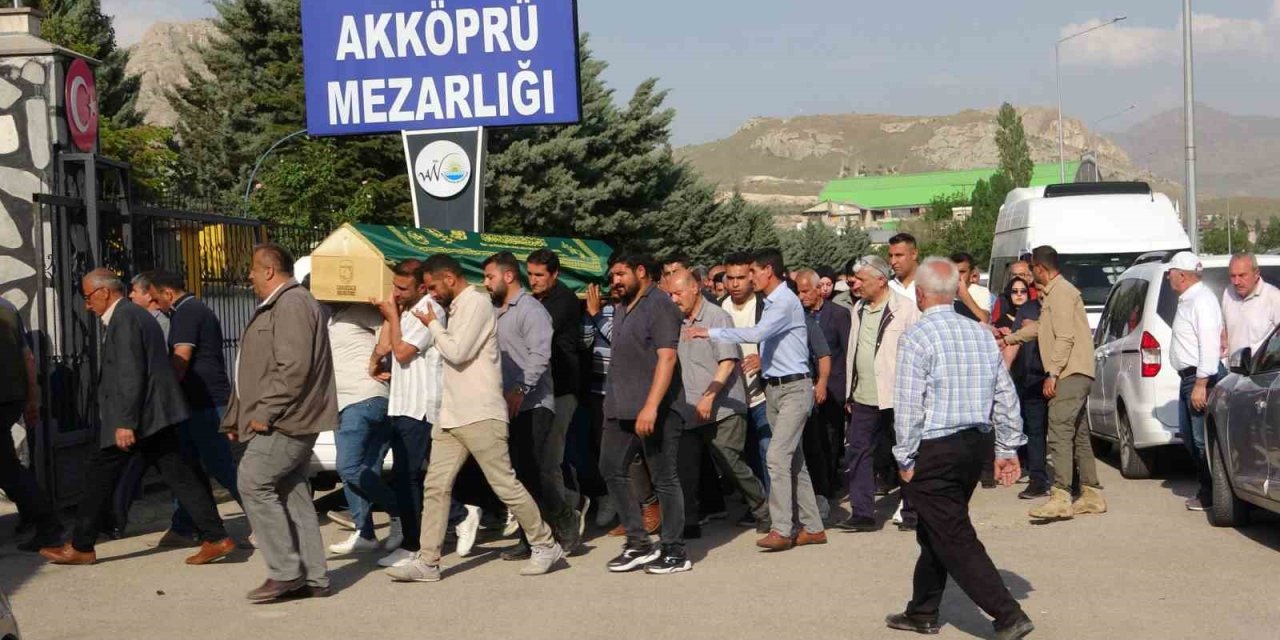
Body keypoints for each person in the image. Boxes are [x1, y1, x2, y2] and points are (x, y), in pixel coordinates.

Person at [386, 254, 564, 582]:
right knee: (435, 486)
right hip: (452, 415)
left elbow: (457, 351)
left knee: (505, 484)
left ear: (450, 279)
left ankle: (545, 543)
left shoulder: (477, 304)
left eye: (433, 286)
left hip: (481, 412)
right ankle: (428, 561)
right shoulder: (456, 307)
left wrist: (432, 324)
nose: (431, 293)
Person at [41, 269, 233, 567]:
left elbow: (130, 373)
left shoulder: (126, 318)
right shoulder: (133, 315)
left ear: (105, 292)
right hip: (154, 416)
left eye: (88, 296)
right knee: (181, 475)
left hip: (142, 418)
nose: (87, 304)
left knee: (100, 474)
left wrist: (125, 422)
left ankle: (81, 545)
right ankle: (215, 536)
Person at [884, 257, 1033, 640]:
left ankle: (1007, 614)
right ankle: (922, 610)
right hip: (974, 445)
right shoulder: (981, 333)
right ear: (953, 293)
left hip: (935, 446)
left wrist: (904, 456)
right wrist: (1006, 447)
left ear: (919, 294)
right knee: (937, 529)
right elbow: (1005, 394)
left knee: (953, 533)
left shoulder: (917, 337)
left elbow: (909, 405)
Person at [691, 248, 827, 552]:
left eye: (752, 271)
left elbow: (759, 332)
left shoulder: (785, 302)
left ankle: (781, 528)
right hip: (775, 389)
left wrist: (710, 332)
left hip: (794, 389)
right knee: (795, 462)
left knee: (776, 457)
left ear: (768, 270)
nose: (748, 278)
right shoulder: (773, 301)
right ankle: (814, 527)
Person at [222, 245, 336, 599]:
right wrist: (236, 416)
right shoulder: (284, 303)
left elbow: (294, 368)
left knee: (253, 482)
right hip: (281, 417)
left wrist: (265, 412)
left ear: (269, 270)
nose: (250, 277)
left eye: (254, 271)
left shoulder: (291, 303)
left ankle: (286, 572)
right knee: (292, 492)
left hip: (287, 419)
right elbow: (255, 369)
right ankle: (314, 577)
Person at [598, 252, 690, 575]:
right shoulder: (622, 307)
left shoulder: (660, 305)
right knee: (611, 468)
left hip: (658, 411)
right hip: (620, 409)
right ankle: (638, 543)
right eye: (612, 277)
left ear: (640, 271)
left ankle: (675, 550)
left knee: (664, 479)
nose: (615, 282)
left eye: (621, 274)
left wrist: (651, 406)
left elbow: (667, 359)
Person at [371, 259, 467, 569]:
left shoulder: (430, 310)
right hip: (400, 403)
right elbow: (386, 347)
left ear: (422, 287)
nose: (396, 293)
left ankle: (417, 542)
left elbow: (401, 352)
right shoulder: (403, 309)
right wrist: (391, 314)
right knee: (409, 475)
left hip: (419, 406)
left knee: (409, 476)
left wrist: (392, 317)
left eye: (403, 288)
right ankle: (455, 516)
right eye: (394, 286)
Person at [486, 252, 581, 557]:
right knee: (519, 476)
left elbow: (540, 356)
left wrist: (520, 388)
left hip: (535, 402)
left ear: (507, 277)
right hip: (505, 403)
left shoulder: (532, 310)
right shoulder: (495, 310)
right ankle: (533, 538)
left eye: (489, 277)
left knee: (537, 471)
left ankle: (565, 521)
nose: (485, 283)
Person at [1005, 245, 1106, 521]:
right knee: (1078, 433)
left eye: (1031, 269)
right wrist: (1008, 339)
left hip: (1070, 372)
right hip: (1072, 372)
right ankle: (1090, 493)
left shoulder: (1061, 293)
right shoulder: (1053, 294)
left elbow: (1064, 337)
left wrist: (1052, 373)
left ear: (1040, 268)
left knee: (1058, 428)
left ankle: (1060, 495)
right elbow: (1040, 328)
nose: (1028, 276)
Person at [669, 271, 771, 537]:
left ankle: (763, 508)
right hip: (687, 408)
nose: (673, 298)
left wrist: (710, 395)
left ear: (695, 289)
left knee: (730, 462)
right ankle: (688, 522)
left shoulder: (718, 318)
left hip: (723, 407)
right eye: (670, 293)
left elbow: (727, 362)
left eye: (678, 293)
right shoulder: (674, 321)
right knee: (685, 468)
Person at [146, 270, 242, 547]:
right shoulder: (189, 310)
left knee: (221, 465)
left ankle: (265, 521)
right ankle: (186, 525)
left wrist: (164, 393)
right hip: (194, 403)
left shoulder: (187, 312)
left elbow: (181, 359)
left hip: (206, 402)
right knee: (187, 466)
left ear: (168, 293)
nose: (156, 306)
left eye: (156, 299)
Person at [838, 256, 920, 533]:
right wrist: (849, 392)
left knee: (906, 453)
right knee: (859, 453)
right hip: (863, 397)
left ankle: (912, 512)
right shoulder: (858, 309)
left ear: (881, 280)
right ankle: (862, 513)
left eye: (861, 279)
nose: (855, 284)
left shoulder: (906, 309)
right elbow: (854, 352)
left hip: (897, 397)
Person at [526, 248, 588, 535]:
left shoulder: (562, 302)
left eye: (539, 275)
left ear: (555, 274)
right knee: (539, 460)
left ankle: (563, 521)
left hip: (562, 388)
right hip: (540, 390)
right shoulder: (535, 300)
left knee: (550, 459)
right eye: (530, 274)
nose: (534, 280)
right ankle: (571, 501)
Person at [323, 301, 392, 554]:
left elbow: (391, 334)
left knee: (348, 467)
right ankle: (365, 533)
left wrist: (385, 364)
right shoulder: (331, 317)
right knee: (363, 470)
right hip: (344, 401)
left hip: (363, 398)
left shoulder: (362, 310)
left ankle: (403, 512)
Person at [0, 297, 63, 551]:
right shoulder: (8, 307)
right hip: (11, 398)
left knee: (7, 468)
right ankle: (37, 517)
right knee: (6, 466)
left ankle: (46, 522)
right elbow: (28, 357)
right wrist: (32, 397)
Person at [1166, 252, 1224, 511]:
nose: (1169, 276)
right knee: (1190, 438)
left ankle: (1212, 492)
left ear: (1182, 275)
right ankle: (1208, 488)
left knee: (1202, 440)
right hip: (1188, 378)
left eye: (1171, 272)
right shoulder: (1188, 300)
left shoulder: (1202, 300)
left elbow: (1209, 344)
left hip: (1200, 378)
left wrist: (1201, 384)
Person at [796, 267, 850, 520]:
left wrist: (845, 389)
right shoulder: (799, 316)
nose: (802, 296)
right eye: (799, 291)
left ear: (820, 289)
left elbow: (846, 351)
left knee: (831, 438)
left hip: (834, 386)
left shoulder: (838, 315)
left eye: (806, 291)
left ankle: (830, 485)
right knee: (814, 440)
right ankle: (821, 488)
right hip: (807, 385)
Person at [720, 252, 772, 505]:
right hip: (732, 397)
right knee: (742, 455)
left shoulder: (767, 306)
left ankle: (777, 509)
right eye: (730, 278)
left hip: (763, 394)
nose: (735, 284)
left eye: (741, 277)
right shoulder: (718, 308)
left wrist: (766, 361)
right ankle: (757, 504)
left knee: (768, 452)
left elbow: (791, 343)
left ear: (752, 277)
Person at [995, 277, 1050, 499]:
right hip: (1032, 377)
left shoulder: (1063, 307)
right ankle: (1038, 479)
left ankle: (1073, 479)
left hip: (1059, 376)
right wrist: (1004, 375)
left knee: (1063, 433)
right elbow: (1014, 342)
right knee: (1035, 431)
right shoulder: (1027, 309)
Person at [1221, 253, 1280, 356]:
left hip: (1262, 370)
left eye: (1242, 275)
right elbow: (1225, 329)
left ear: (1256, 273)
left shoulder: (1273, 297)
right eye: (1232, 276)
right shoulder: (1228, 293)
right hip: (1234, 369)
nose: (1236, 282)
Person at [950, 252, 991, 323]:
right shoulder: (941, 291)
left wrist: (965, 296)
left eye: (962, 272)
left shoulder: (982, 292)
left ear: (971, 274)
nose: (957, 275)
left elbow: (984, 320)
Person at [129, 272, 170, 341]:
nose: (130, 295)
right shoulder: (136, 318)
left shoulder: (161, 322)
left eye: (135, 291)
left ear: (149, 295)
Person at [887, 233, 921, 299]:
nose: (893, 262)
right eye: (890, 256)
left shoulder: (932, 285)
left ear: (914, 254)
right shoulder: (887, 286)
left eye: (899, 255)